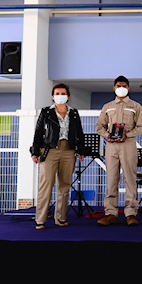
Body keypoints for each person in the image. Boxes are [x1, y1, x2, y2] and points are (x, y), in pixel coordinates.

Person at [30, 83, 85, 229]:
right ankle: (40, 219)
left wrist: (81, 151)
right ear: (53, 96)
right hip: (49, 150)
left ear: (68, 96)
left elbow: (79, 133)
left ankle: (60, 218)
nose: (60, 96)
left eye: (63, 93)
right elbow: (38, 132)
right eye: (57, 94)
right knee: (46, 184)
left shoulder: (73, 113)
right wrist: (35, 152)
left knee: (65, 185)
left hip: (69, 150)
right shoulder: (46, 112)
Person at [95, 76, 142, 226]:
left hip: (128, 144)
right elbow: (99, 126)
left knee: (130, 178)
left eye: (124, 86)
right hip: (111, 146)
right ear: (114, 88)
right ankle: (111, 213)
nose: (121, 88)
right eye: (118, 86)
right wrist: (107, 135)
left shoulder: (135, 106)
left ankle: (130, 213)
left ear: (128, 88)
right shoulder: (107, 106)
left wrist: (127, 135)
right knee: (111, 179)